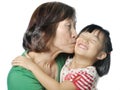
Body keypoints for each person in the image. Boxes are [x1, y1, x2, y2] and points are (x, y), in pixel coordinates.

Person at [12, 24, 113, 90]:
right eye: (83, 36)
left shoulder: (88, 74)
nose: (85, 40)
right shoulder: (68, 59)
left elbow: (59, 89)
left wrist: (32, 66)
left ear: (101, 55)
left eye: (92, 41)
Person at [7, 1, 77, 90]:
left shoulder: (68, 59)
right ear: (45, 31)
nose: (75, 34)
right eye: (68, 26)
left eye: (74, 26)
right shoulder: (19, 77)